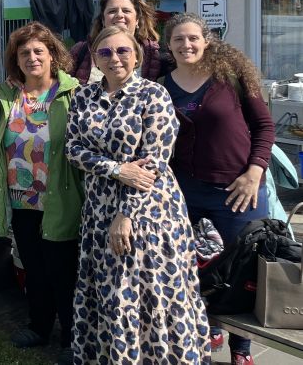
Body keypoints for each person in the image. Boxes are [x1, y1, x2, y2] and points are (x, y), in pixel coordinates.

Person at [65, 26, 210, 362]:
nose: (114, 58)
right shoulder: (83, 97)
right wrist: (116, 168)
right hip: (99, 210)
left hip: (149, 213)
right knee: (111, 293)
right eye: (105, 53)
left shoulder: (153, 95)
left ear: (137, 56)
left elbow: (154, 163)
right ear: (96, 60)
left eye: (122, 51)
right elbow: (72, 148)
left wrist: (125, 215)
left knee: (151, 295)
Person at [162, 12, 274, 365]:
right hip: (183, 190)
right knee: (185, 266)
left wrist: (255, 171)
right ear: (168, 45)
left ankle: (241, 348)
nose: (186, 45)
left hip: (238, 189)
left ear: (206, 40)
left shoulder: (233, 77)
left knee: (246, 270)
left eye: (192, 37)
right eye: (178, 39)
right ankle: (204, 326)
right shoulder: (162, 84)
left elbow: (265, 126)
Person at [0, 22, 83, 365]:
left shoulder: (72, 94)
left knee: (64, 271)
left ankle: (73, 337)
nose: (31, 58)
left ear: (52, 56)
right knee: (33, 267)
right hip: (20, 198)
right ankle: (39, 326)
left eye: (38, 51)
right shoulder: (8, 95)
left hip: (59, 198)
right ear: (16, 59)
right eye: (24, 52)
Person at [69, 0, 164, 84]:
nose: (119, 15)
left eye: (126, 11)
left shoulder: (153, 53)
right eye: (112, 11)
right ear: (103, 20)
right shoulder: (81, 51)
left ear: (137, 20)